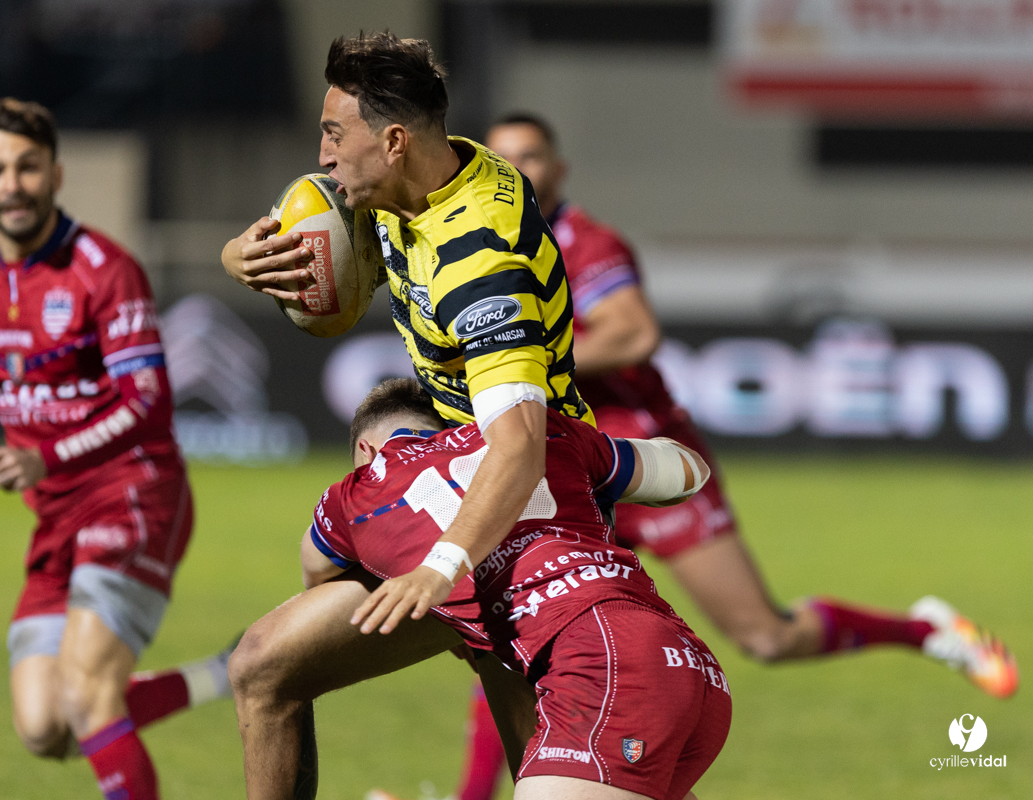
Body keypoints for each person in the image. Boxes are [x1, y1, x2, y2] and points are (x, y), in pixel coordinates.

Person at [434, 112, 1022, 800]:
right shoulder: (488, 243)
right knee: (528, 629)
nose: (522, 171)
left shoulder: (586, 243)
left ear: (560, 168)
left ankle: (926, 630)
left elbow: (633, 334)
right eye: (507, 160)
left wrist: (511, 364)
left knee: (766, 637)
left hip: (645, 461)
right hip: (568, 465)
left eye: (533, 156)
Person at [219, 33, 598, 800]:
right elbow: (306, 235)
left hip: (530, 514)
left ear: (390, 141)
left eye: (333, 134)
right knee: (265, 666)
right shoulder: (410, 178)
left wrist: (443, 566)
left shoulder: (478, 257)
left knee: (557, 780)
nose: (322, 155)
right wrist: (238, 258)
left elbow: (519, 445)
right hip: (460, 475)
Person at [0, 98, 234, 800]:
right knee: (45, 725)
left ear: (55, 174)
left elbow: (147, 403)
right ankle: (228, 674)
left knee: (85, 696)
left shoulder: (105, 270)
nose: (11, 184)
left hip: (134, 493)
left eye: (26, 167)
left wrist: (47, 459)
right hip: (57, 518)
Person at [300, 378, 729, 800]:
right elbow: (687, 473)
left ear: (366, 450)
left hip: (599, 665)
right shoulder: (547, 432)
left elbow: (316, 576)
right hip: (683, 660)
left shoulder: (354, 494)